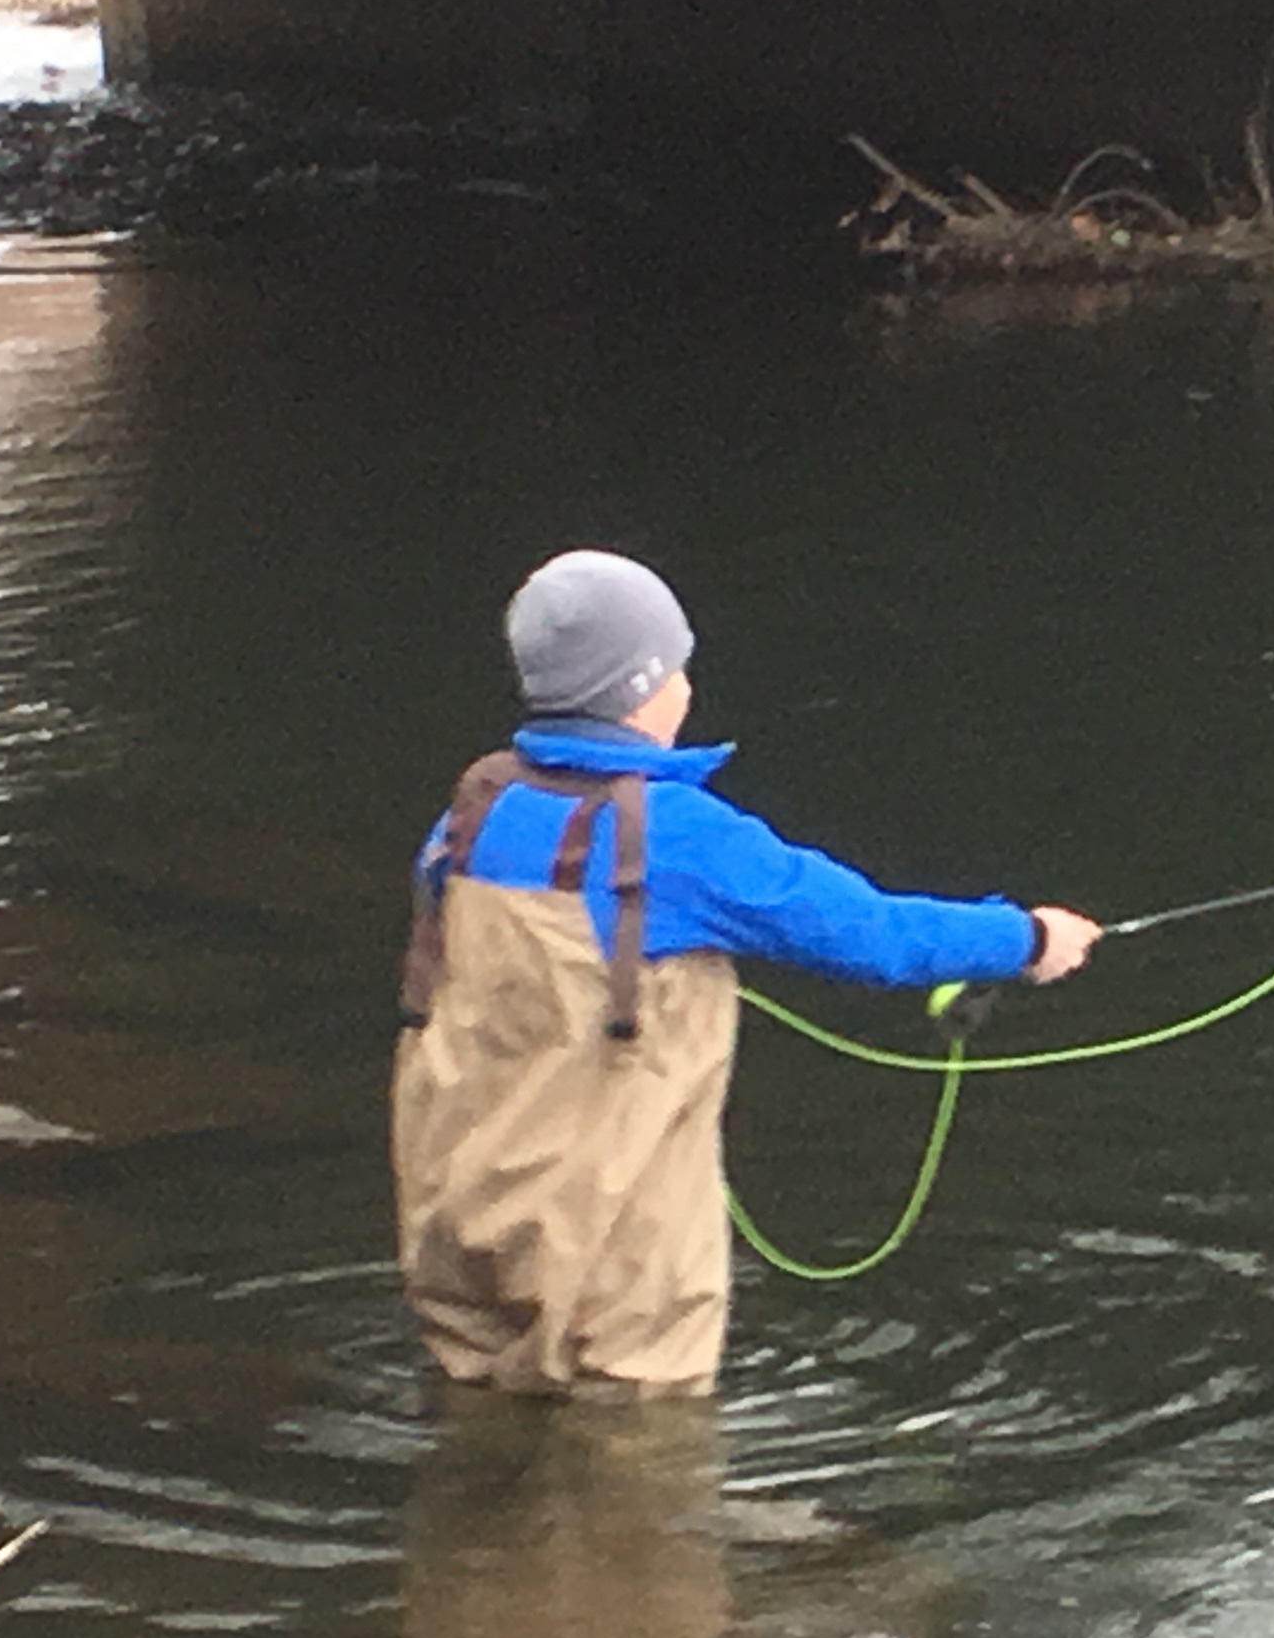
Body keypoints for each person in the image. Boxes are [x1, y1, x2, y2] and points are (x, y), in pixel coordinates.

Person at [395, 548, 1098, 1395]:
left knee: (486, 1426)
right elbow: (871, 936)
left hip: (462, 1220)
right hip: (612, 1258)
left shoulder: (470, 814)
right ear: (645, 686)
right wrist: (1022, 937)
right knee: (642, 1463)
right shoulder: (683, 838)